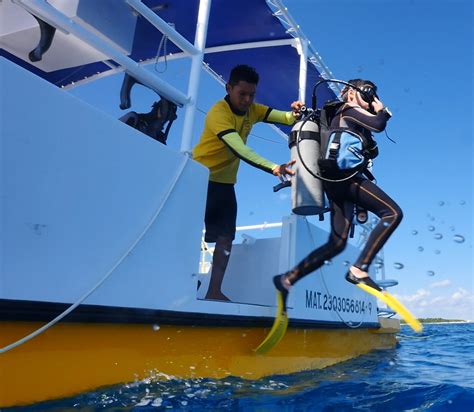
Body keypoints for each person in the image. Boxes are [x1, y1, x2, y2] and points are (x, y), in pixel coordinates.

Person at [273, 79, 402, 302]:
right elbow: (379, 125)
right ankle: (359, 270)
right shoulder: (348, 109)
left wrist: (368, 132)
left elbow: (373, 149)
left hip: (334, 182)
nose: (373, 100)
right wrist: (382, 111)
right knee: (392, 213)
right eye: (370, 94)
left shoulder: (345, 116)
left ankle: (287, 279)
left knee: (337, 243)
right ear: (353, 93)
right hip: (345, 178)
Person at [193, 64, 303, 301]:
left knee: (225, 238)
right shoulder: (218, 113)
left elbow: (284, 117)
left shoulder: (253, 109)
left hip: (225, 183)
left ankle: (214, 291)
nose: (247, 100)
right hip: (199, 177)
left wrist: (294, 112)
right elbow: (239, 148)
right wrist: (274, 167)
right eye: (242, 94)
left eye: (252, 95)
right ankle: (182, 283)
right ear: (229, 88)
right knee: (189, 233)